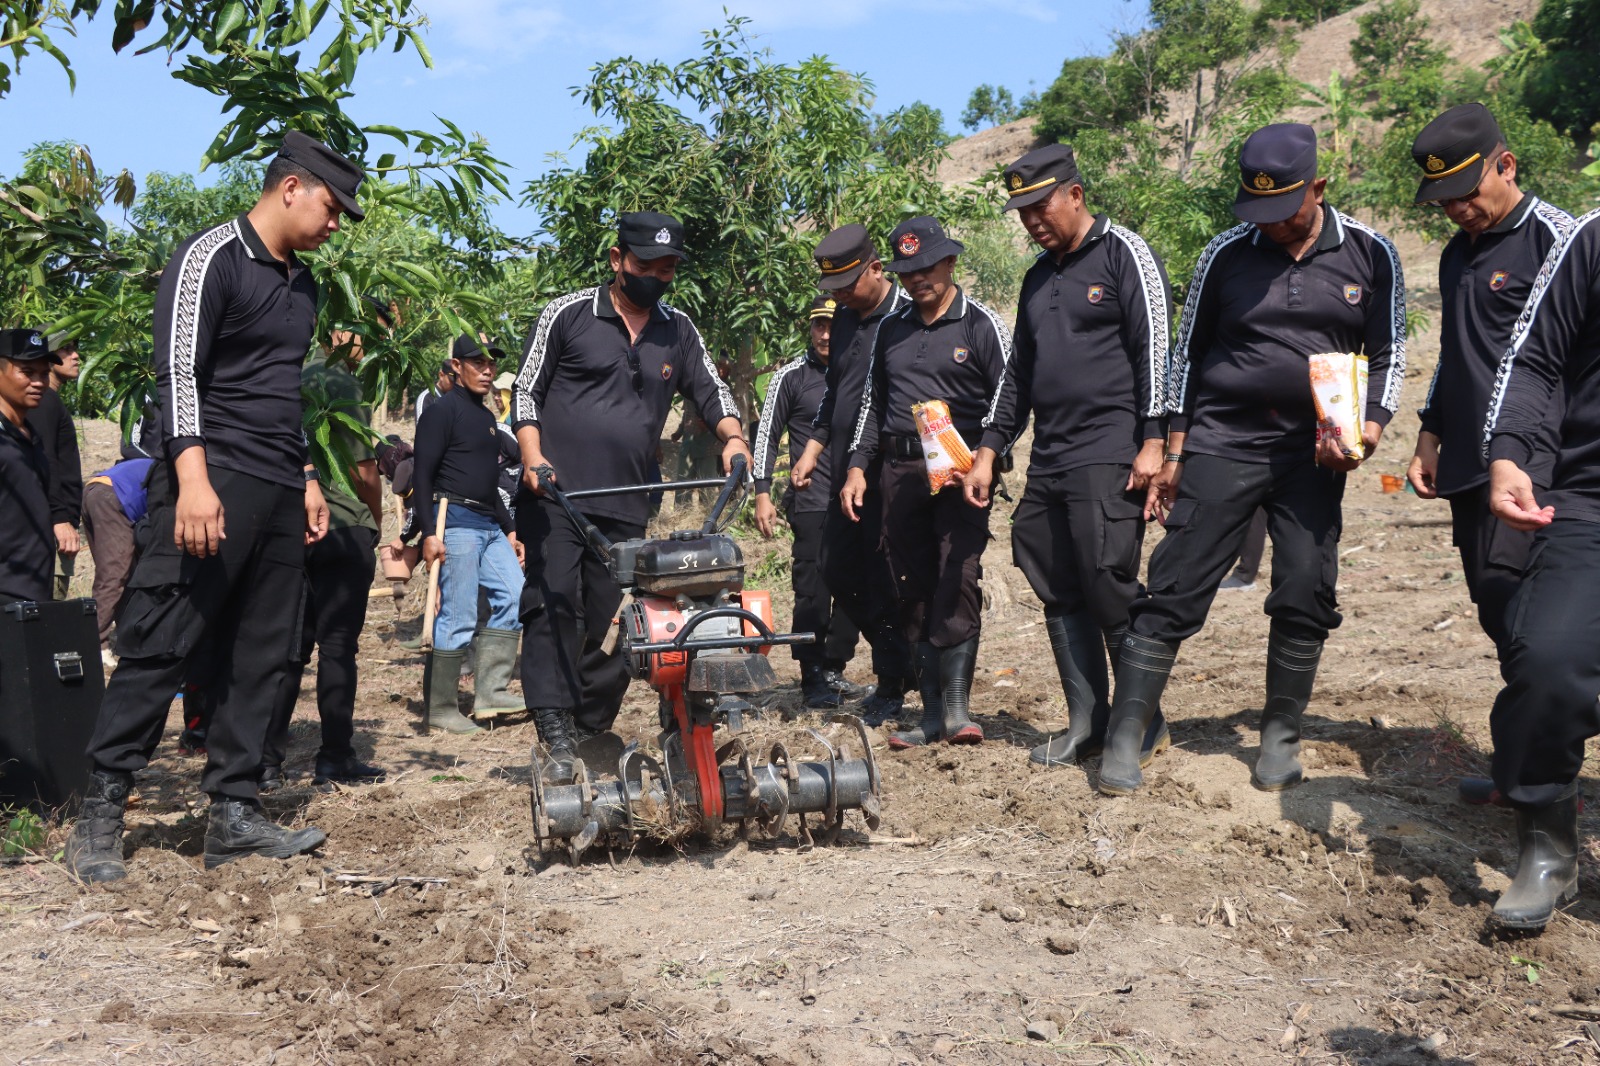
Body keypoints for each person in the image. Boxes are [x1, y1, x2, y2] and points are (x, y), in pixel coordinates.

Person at [63, 131, 365, 882]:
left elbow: (280, 392)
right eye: (332, 207)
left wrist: (305, 475)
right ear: (290, 187)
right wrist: (192, 479)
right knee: (162, 640)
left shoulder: (304, 286)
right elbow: (178, 373)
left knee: (262, 654)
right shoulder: (212, 257)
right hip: (209, 478)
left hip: (274, 488)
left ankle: (233, 812)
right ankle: (100, 809)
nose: (336, 225)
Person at [1097, 122, 1405, 797]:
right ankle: (1128, 729)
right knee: (1175, 584)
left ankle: (1280, 734)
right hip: (1224, 440)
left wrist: (1372, 428)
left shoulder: (1372, 255)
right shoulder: (1225, 255)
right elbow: (1188, 354)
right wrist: (1177, 445)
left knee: (1304, 584)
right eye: (1254, 211)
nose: (1267, 224)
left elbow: (1390, 353)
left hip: (1316, 452)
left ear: (1318, 187)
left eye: (1282, 210)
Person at [512, 210, 749, 783]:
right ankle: (554, 726)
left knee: (616, 618)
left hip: (629, 498)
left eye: (667, 269)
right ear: (618, 260)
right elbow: (526, 388)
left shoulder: (678, 329)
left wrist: (734, 440)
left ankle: (591, 722)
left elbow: (711, 392)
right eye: (646, 265)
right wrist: (531, 455)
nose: (656, 277)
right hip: (556, 493)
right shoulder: (566, 315)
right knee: (553, 605)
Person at [972, 144, 1174, 769]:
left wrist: (1155, 440)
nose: (1032, 220)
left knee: (1109, 584)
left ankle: (1142, 724)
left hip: (1112, 448)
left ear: (1076, 195)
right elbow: (1018, 377)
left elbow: (1158, 350)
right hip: (1052, 455)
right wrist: (989, 448)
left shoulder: (1124, 254)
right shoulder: (1037, 277)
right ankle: (1088, 720)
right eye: (1022, 211)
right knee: (1057, 584)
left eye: (1040, 205)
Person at [1404, 104, 1574, 809]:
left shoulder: (1558, 242)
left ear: (1507, 164)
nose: (1459, 210)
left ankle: (1543, 783)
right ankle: (1525, 770)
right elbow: (1459, 353)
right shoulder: (1456, 254)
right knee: (1500, 615)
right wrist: (1430, 431)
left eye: (1470, 193)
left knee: (1542, 629)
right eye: (1445, 202)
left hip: (1543, 468)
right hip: (1472, 466)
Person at [843, 216, 1013, 749]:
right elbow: (873, 404)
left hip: (962, 472)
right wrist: (855, 466)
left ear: (949, 262)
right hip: (898, 472)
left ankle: (959, 708)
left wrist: (988, 457)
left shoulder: (980, 324)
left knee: (956, 574)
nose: (917, 279)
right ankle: (931, 710)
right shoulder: (892, 329)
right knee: (908, 583)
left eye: (926, 267)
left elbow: (1009, 398)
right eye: (907, 270)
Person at [1477, 208, 1600, 930]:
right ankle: (1548, 849)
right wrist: (1509, 453)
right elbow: (1534, 359)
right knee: (1549, 662)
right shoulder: (1591, 238)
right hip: (1588, 498)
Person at [788, 225, 918, 724]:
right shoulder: (843, 318)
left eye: (847, 284)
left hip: (894, 469)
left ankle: (897, 681)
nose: (839, 296)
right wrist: (813, 448)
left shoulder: (906, 315)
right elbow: (834, 392)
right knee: (838, 568)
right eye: (832, 287)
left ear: (876, 269)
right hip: (844, 468)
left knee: (892, 576)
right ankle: (899, 664)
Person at [259, 318, 391, 788]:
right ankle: (334, 756)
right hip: (339, 524)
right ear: (338, 332)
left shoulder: (283, 370)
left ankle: (267, 763)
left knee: (290, 649)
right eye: (368, 333)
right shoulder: (338, 378)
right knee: (337, 649)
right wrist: (372, 521)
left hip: (289, 528)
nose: (373, 345)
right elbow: (364, 469)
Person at [753, 295, 867, 708]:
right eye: (819, 325)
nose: (825, 334)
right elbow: (766, 435)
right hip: (811, 499)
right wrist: (762, 492)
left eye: (833, 326)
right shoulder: (792, 377)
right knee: (812, 592)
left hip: (859, 498)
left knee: (858, 588)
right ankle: (811, 676)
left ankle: (835, 667)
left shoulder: (862, 372)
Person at [414, 335, 525, 735]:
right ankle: (441, 708)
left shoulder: (485, 420)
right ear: (456, 366)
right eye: (477, 363)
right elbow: (421, 476)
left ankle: (490, 693)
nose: (487, 370)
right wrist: (428, 533)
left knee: (515, 596)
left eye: (491, 363)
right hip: (454, 522)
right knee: (458, 616)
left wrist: (510, 529)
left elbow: (489, 481)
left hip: (490, 526)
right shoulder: (442, 413)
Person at [0, 329, 59, 605]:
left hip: (35, 595)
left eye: (44, 373)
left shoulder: (31, 435)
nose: (38, 382)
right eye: (27, 371)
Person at [26, 336, 83, 599]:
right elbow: (43, 459)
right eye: (66, 349)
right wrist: (60, 518)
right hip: (50, 532)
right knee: (47, 614)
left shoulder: (50, 401)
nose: (75, 356)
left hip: (50, 527)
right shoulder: (44, 401)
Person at [82, 454, 156, 655]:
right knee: (114, 575)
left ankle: (127, 638)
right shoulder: (175, 472)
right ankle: (94, 646)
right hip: (113, 496)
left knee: (122, 573)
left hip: (95, 490)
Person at [414, 359, 454, 424]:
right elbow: (422, 430)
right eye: (452, 381)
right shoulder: (426, 399)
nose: (455, 385)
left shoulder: (456, 396)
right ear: (441, 375)